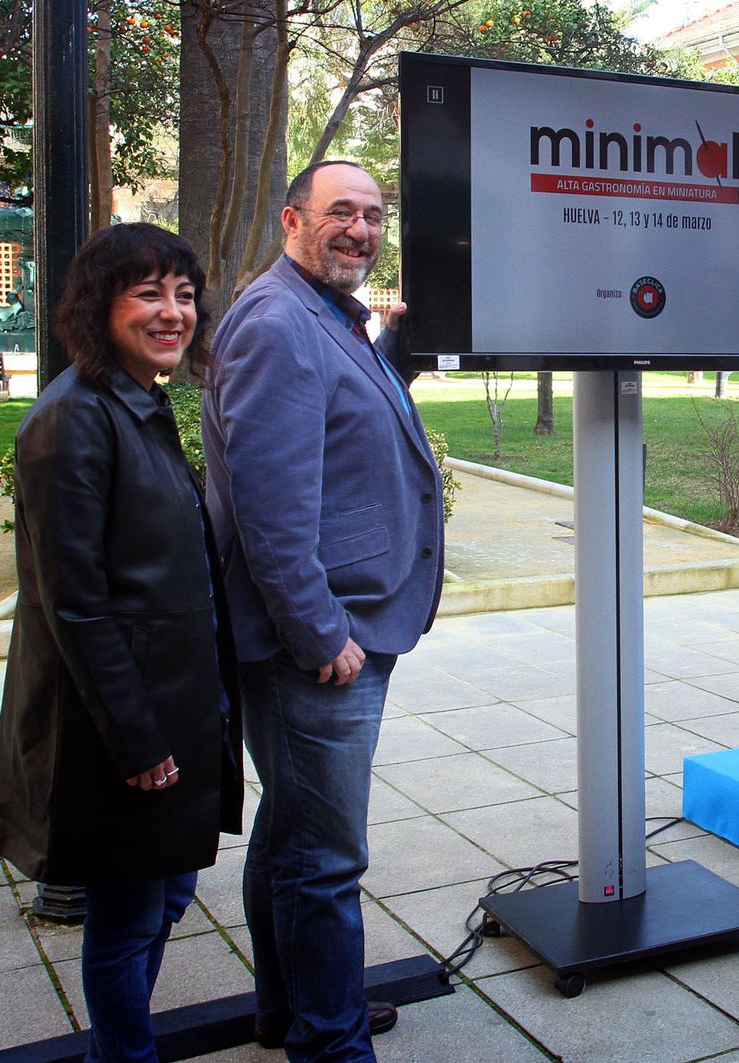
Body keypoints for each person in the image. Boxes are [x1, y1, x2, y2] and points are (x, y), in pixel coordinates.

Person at [201, 159, 444, 1058]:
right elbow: (270, 507)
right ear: (291, 219)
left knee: (291, 831)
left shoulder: (325, 316)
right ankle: (332, 1041)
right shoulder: (277, 323)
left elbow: (332, 422)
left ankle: (290, 1006)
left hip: (336, 626)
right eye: (342, 211)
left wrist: (393, 360)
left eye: (375, 215)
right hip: (321, 641)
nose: (362, 229)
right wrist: (321, 634)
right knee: (325, 857)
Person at [0, 223, 243, 1061]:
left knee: (168, 890)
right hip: (120, 727)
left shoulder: (138, 400)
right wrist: (136, 738)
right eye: (148, 293)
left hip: (169, 707)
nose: (174, 312)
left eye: (183, 293)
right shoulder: (72, 422)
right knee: (131, 918)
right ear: (100, 306)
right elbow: (76, 603)